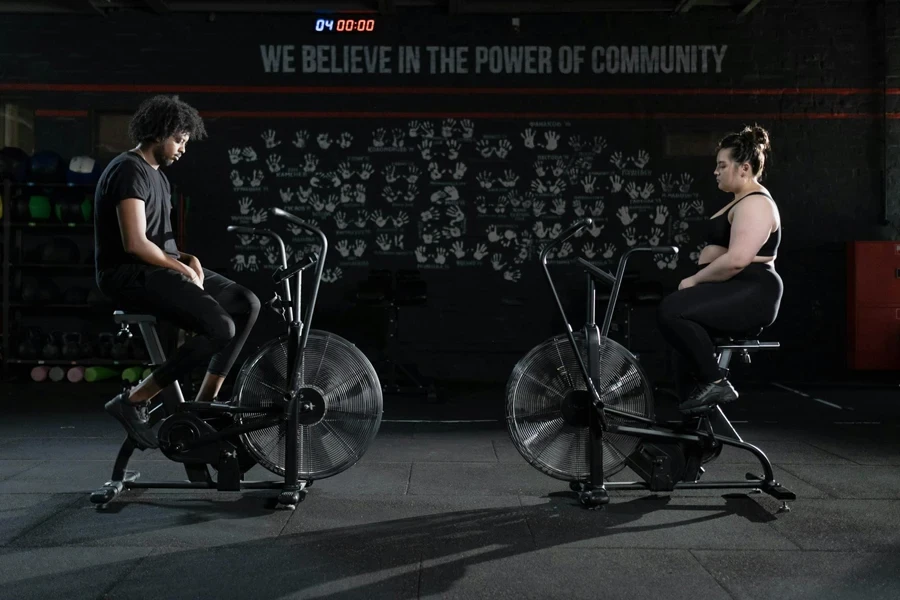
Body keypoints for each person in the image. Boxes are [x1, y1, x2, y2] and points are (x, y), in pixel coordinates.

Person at [94, 95, 261, 449]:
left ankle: (202, 407)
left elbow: (163, 244)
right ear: (159, 133)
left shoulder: (160, 179)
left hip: (157, 269)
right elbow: (136, 244)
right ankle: (134, 400)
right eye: (180, 139)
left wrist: (190, 260)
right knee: (220, 327)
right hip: (128, 274)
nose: (183, 148)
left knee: (245, 303)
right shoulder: (128, 170)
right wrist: (180, 269)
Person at [657, 124, 783, 415]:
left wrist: (695, 279)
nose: (716, 171)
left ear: (744, 168)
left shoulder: (755, 204)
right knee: (681, 350)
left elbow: (738, 259)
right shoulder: (740, 201)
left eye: (722, 165)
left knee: (672, 310)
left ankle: (715, 381)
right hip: (736, 286)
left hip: (753, 290)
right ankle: (690, 440)